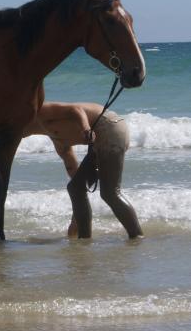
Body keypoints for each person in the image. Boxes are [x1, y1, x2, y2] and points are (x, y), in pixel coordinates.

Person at [24, 101, 143, 239]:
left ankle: (137, 236)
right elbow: (77, 182)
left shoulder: (38, 110)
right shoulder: (59, 142)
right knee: (75, 189)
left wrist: (86, 128)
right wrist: (76, 218)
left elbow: (75, 110)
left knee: (110, 193)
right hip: (102, 137)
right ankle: (84, 239)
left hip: (108, 126)